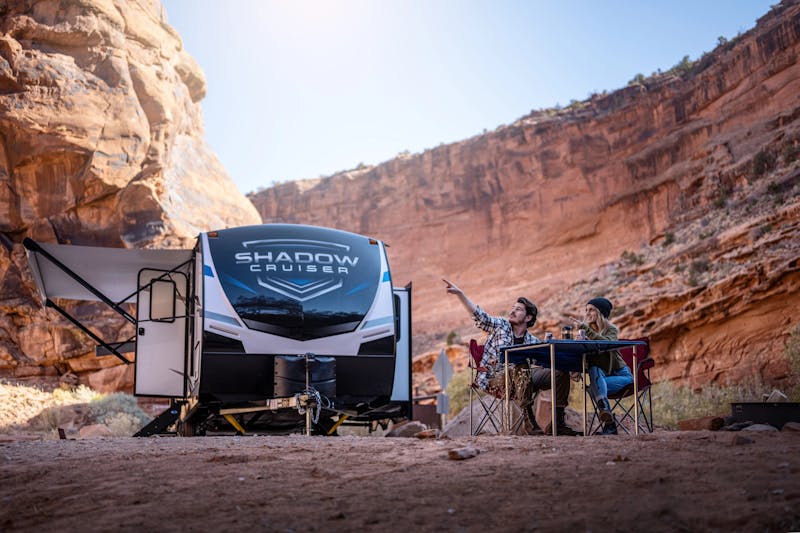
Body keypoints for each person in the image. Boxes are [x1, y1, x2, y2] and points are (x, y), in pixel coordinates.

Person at [443, 278, 579, 436]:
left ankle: (557, 424)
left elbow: (545, 362)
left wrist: (570, 368)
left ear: (528, 318)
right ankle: (529, 421)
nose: (512, 311)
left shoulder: (532, 341)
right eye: (513, 308)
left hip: (522, 381)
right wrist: (460, 294)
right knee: (519, 363)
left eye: (519, 309)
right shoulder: (501, 325)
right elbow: (479, 316)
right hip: (495, 378)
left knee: (559, 373)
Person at [571, 297, 632, 435]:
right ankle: (607, 417)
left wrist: (587, 331)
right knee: (594, 372)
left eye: (591, 309)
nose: (587, 313)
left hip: (621, 376)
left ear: (601, 313)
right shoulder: (586, 333)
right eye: (586, 310)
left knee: (594, 388)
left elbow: (607, 344)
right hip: (601, 379)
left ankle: (610, 425)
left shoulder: (611, 330)